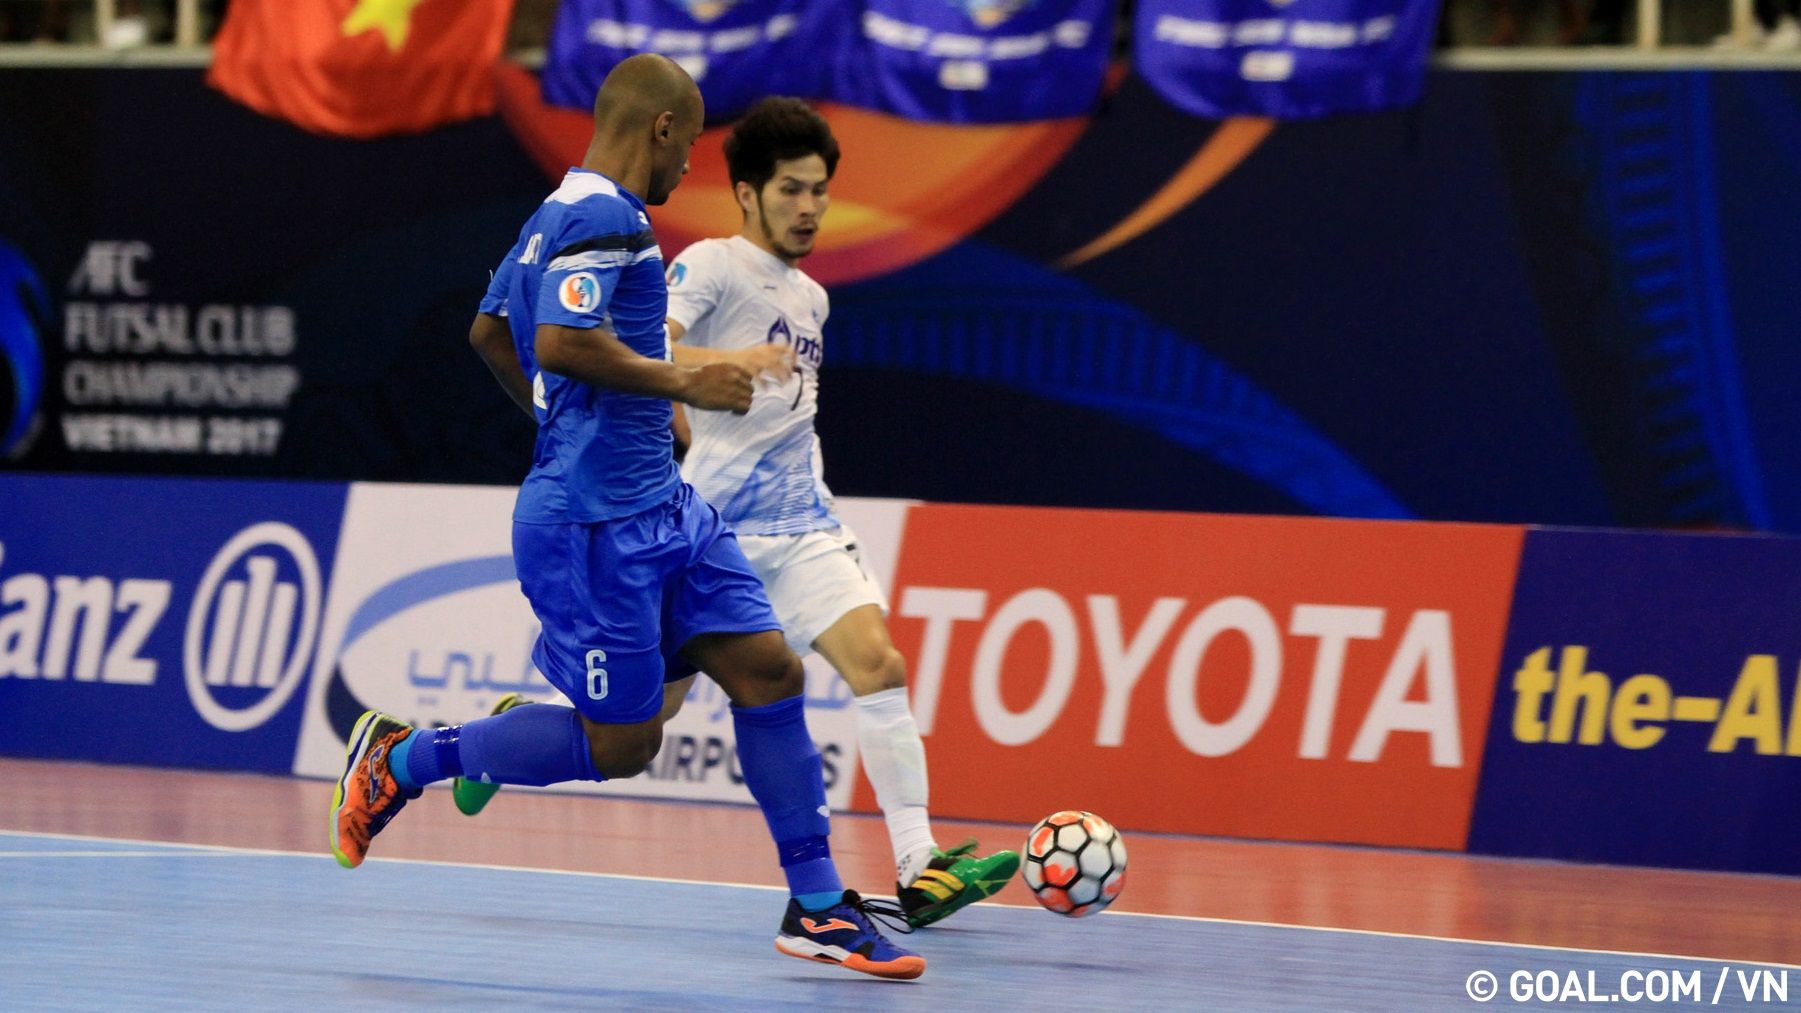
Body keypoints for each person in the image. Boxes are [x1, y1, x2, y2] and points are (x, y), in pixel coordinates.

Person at [328, 54, 924, 982]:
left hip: (666, 507)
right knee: (624, 745)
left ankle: (816, 909)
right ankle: (405, 760)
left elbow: (491, 334)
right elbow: (563, 343)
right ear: (660, 128)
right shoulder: (609, 214)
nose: (688, 167)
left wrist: (560, 422)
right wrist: (685, 379)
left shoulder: (547, 218)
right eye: (686, 145)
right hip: (595, 529)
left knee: (768, 668)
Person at [454, 97, 1021, 931]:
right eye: (791, 190)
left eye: (820, 192)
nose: (809, 208)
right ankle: (510, 737)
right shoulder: (710, 264)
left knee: (879, 664)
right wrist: (717, 366)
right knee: (637, 727)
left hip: (805, 528)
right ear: (748, 194)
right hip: (712, 525)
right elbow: (654, 346)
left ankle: (917, 865)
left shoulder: (815, 299)